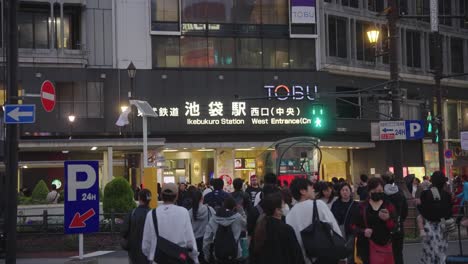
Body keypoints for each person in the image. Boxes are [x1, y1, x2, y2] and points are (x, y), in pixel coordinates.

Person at [286, 178, 342, 264]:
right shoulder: (319, 204)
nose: (313, 189)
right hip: (324, 256)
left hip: (304, 258)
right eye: (310, 187)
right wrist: (342, 255)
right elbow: (334, 228)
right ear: (303, 191)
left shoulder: (289, 215)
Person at [142, 183, 199, 263]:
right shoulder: (183, 212)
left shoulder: (151, 214)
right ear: (176, 196)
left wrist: (151, 256)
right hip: (179, 258)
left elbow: (146, 245)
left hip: (157, 259)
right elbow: (190, 241)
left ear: (161, 195)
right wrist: (195, 258)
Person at [250, 192, 305, 264]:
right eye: (283, 204)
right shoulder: (286, 229)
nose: (285, 206)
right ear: (277, 210)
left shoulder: (259, 227)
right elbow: (296, 255)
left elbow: (253, 254)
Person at [352, 177, 397, 264]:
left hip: (385, 246)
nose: (377, 193)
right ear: (369, 191)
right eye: (374, 191)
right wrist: (363, 231)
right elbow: (353, 226)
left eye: (380, 191)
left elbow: (395, 227)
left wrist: (388, 219)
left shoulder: (388, 205)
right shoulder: (362, 207)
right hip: (367, 247)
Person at [418, 171, 453, 264]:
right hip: (443, 227)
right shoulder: (447, 195)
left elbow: (424, 212)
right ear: (443, 182)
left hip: (429, 227)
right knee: (441, 254)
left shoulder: (426, 194)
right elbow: (450, 213)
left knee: (429, 255)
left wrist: (418, 205)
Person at [203, 196, 246, 264]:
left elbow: (207, 239)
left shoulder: (213, 218)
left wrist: (207, 255)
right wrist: (242, 211)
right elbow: (246, 226)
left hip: (218, 255)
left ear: (223, 205)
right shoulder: (238, 217)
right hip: (235, 254)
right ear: (234, 207)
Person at [382, 173, 408, 264]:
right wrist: (400, 219)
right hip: (399, 225)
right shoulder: (399, 191)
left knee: (386, 253)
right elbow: (405, 210)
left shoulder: (382, 194)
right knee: (398, 253)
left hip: (385, 227)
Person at [121, 189, 151, 264]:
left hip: (133, 251)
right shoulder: (153, 214)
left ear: (139, 198)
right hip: (149, 251)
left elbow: (124, 232)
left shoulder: (132, 213)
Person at [189, 190, 216, 264]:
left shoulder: (189, 212)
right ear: (202, 198)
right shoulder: (209, 209)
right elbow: (215, 224)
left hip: (194, 244)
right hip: (208, 242)